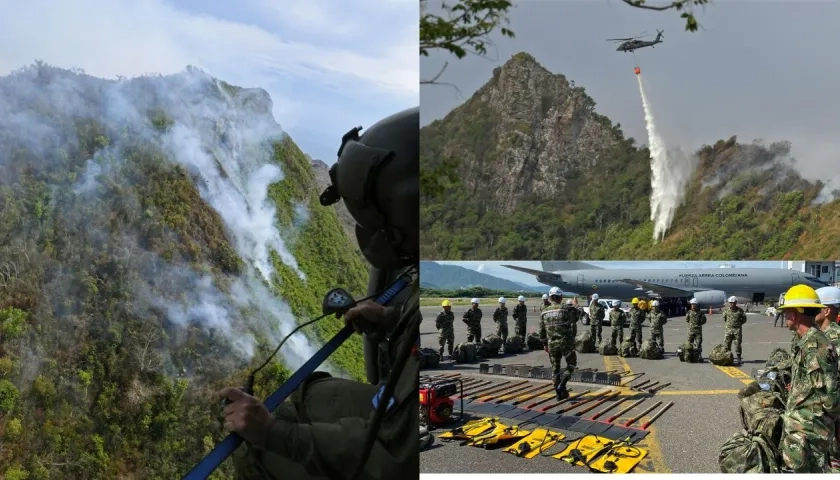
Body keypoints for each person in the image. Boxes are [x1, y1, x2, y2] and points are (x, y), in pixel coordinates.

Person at [222, 107, 420, 480]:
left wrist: (272, 433)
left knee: (257, 455)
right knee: (311, 393)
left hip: (398, 447)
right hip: (400, 407)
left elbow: (393, 458)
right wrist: (392, 318)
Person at [778, 284, 840, 473]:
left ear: (795, 314)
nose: (785, 317)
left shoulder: (815, 345)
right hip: (803, 428)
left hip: (810, 432)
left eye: (786, 312)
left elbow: (829, 398)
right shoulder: (806, 341)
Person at [816, 286, 840, 472]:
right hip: (818, 407)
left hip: (833, 409)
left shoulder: (836, 337)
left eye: (815, 306)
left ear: (827, 310)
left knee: (834, 458)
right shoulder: (816, 335)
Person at [539, 287, 577, 401]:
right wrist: (575, 305)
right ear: (561, 297)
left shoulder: (544, 312)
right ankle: (562, 385)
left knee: (555, 369)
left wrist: (545, 344)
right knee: (571, 364)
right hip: (566, 344)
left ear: (550, 298)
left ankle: (558, 394)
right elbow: (577, 316)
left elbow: (541, 331)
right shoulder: (566, 309)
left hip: (552, 345)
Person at [723, 296, 747, 365]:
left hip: (737, 331)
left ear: (736, 303)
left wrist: (738, 324)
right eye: (731, 303)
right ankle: (728, 358)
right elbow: (725, 318)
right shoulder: (726, 310)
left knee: (738, 345)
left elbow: (744, 319)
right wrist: (729, 325)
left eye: (733, 303)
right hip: (728, 330)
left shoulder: (740, 311)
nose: (732, 304)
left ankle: (738, 358)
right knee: (727, 345)